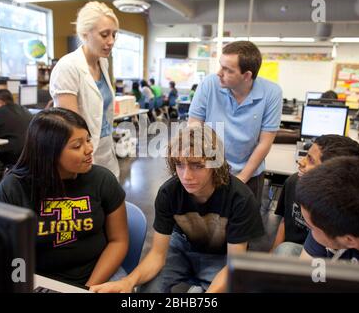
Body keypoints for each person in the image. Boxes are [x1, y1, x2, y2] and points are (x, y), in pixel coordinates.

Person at [90, 124, 264, 293]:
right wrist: (128, 282)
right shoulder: (169, 192)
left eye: (197, 165)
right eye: (180, 165)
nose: (186, 176)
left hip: (222, 256)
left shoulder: (240, 198)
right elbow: (158, 255)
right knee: (149, 289)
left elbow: (234, 266)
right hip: (181, 248)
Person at [0, 108, 129, 286]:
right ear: (48, 153)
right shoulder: (14, 188)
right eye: (77, 146)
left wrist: (86, 289)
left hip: (98, 277)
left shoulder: (102, 179)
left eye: (88, 140)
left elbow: (119, 241)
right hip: (38, 281)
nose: (89, 149)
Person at [188, 41, 282, 204]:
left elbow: (265, 142)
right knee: (208, 223)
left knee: (244, 225)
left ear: (247, 76)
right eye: (220, 66)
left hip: (249, 173)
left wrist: (242, 178)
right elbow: (194, 126)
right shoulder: (209, 84)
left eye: (227, 70)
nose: (219, 73)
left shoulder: (272, 93)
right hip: (210, 169)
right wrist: (204, 168)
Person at [49, 1, 120, 178]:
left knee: (111, 196)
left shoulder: (103, 62)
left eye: (114, 34)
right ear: (84, 34)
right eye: (104, 35)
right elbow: (70, 126)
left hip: (105, 146)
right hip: (83, 151)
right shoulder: (67, 67)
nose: (111, 41)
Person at [271, 135, 359, 256]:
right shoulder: (294, 182)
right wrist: (273, 252)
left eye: (310, 160)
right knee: (285, 250)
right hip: (302, 250)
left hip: (335, 257)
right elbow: (285, 219)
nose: (300, 161)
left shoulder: (350, 212)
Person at [296, 156, 359, 263]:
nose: (311, 231)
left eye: (312, 228)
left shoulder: (332, 224)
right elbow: (306, 269)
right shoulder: (329, 218)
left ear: (349, 240)